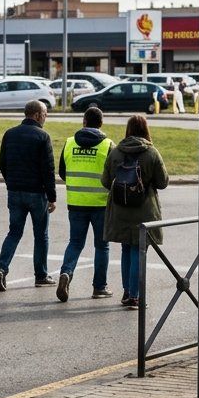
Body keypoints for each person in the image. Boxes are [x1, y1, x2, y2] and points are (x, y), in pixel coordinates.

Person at [101, 114, 169, 310]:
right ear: (146, 129)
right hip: (145, 210)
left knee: (125, 249)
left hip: (120, 209)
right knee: (139, 251)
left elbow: (106, 181)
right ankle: (135, 295)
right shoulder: (151, 152)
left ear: (128, 130)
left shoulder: (115, 152)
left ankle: (127, 291)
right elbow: (162, 182)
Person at [0, 100, 57, 292]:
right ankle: (41, 275)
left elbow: (2, 162)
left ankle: (1, 269)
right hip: (37, 193)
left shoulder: (9, 134)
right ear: (37, 115)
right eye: (44, 114)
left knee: (14, 233)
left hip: (15, 192)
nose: (45, 117)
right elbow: (48, 169)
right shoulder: (43, 136)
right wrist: (52, 196)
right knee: (41, 235)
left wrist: (10, 182)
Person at [56, 106, 113, 301]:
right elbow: (113, 175)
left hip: (76, 201)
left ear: (84, 122)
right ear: (101, 123)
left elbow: (62, 172)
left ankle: (66, 273)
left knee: (75, 243)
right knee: (102, 246)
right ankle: (99, 287)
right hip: (100, 203)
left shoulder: (70, 143)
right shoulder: (107, 145)